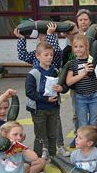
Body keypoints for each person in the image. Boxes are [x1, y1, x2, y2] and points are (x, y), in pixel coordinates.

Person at [15, 22, 69, 156]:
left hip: (53, 104)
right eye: (42, 34)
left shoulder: (54, 57)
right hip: (39, 104)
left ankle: (59, 147)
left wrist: (51, 35)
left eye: (47, 35)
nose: (49, 57)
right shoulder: (35, 55)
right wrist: (21, 39)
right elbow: (22, 55)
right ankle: (41, 154)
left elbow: (56, 51)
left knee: (54, 129)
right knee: (41, 131)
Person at [25, 42, 63, 159]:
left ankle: (53, 157)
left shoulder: (54, 71)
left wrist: (59, 89)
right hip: (39, 109)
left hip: (53, 108)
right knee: (41, 135)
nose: (49, 57)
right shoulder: (33, 73)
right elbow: (29, 92)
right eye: (46, 55)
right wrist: (46, 99)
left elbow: (59, 86)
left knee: (52, 134)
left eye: (51, 55)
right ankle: (37, 158)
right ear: (38, 56)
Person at [66, 35, 97, 127]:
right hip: (80, 97)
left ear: (87, 47)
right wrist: (83, 73)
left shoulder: (92, 60)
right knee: (83, 123)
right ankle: (84, 140)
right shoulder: (72, 63)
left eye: (81, 46)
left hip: (94, 95)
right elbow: (69, 81)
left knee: (94, 122)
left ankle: (93, 141)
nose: (78, 49)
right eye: (75, 47)